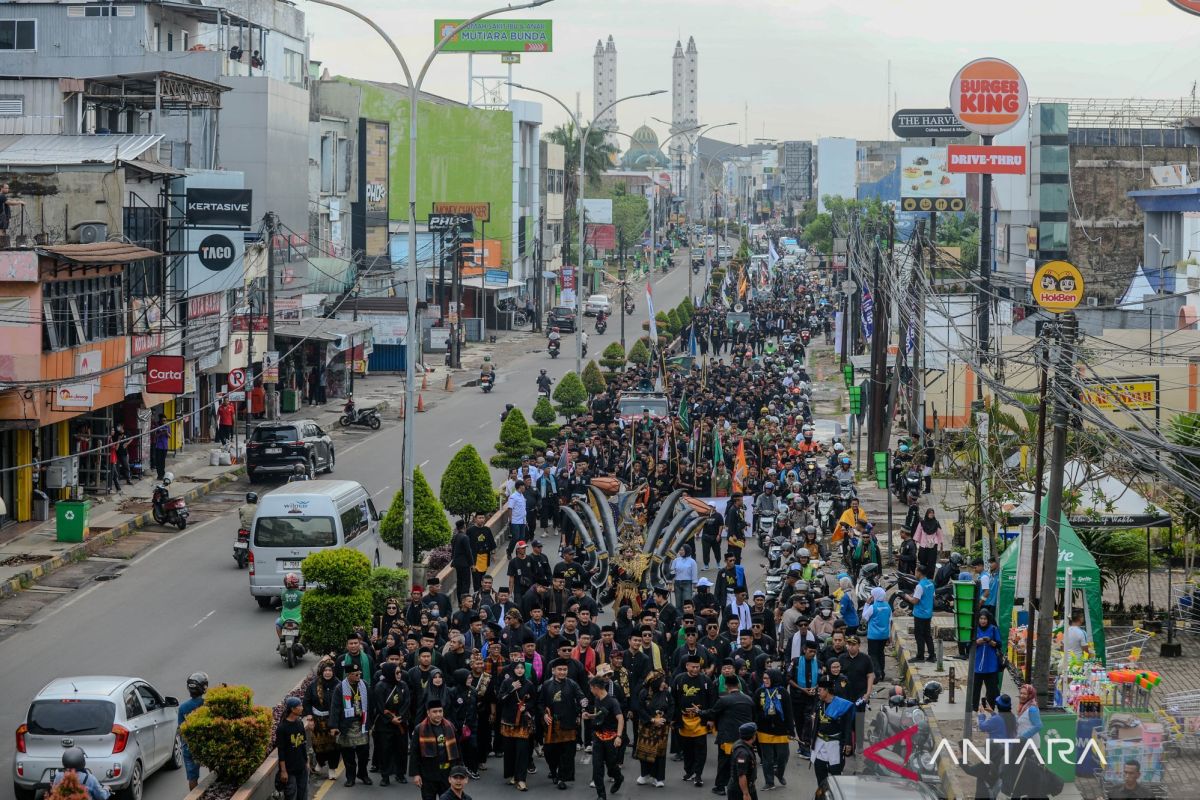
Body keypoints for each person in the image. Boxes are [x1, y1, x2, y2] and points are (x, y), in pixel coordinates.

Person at [541, 657, 585, 789]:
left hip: (569, 724)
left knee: (568, 753)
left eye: (565, 669)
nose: (562, 672)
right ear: (553, 671)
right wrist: (543, 714)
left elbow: (581, 697)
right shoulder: (546, 685)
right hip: (552, 725)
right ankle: (553, 771)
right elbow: (540, 703)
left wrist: (583, 702)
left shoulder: (572, 684)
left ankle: (562, 778)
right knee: (550, 752)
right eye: (559, 669)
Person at [408, 699, 463, 800]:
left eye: (440, 711)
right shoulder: (419, 729)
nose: (438, 714)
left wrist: (460, 771)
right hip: (428, 775)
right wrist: (416, 774)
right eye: (435, 711)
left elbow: (458, 750)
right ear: (428, 713)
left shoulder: (450, 727)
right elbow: (414, 753)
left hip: (447, 774)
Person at [584, 675, 624, 800]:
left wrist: (619, 736)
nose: (590, 690)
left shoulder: (612, 701)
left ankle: (618, 778)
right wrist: (589, 716)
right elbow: (600, 714)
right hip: (597, 737)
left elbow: (620, 718)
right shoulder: (597, 699)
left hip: (611, 738)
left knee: (611, 767)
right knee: (597, 767)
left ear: (596, 688)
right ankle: (601, 795)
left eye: (591, 688)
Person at [811, 678, 854, 794]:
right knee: (820, 773)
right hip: (820, 744)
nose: (818, 693)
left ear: (827, 690)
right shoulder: (820, 704)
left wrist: (848, 743)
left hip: (835, 744)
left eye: (819, 690)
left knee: (835, 775)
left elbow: (848, 726)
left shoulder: (842, 706)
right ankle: (821, 795)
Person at [332, 663, 372, 787]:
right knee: (348, 755)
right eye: (355, 674)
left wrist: (371, 721)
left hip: (362, 724)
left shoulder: (364, 685)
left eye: (359, 674)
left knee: (364, 753)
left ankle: (363, 774)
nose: (358, 676)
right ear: (348, 675)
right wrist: (334, 726)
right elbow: (335, 708)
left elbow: (371, 703)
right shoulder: (340, 688)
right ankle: (350, 777)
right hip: (346, 725)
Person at [374, 662, 412, 786]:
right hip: (385, 724)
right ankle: (385, 776)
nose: (399, 674)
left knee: (401, 750)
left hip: (400, 723)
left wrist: (399, 717)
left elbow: (407, 702)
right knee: (385, 750)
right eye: (396, 672)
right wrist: (391, 719)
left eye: (400, 672)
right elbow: (379, 706)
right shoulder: (380, 686)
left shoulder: (403, 685)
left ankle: (400, 774)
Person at [304, 658, 343, 780]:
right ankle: (320, 762)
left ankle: (332, 769)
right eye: (325, 670)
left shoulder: (339, 685)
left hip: (333, 720)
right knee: (318, 746)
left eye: (330, 670)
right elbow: (307, 701)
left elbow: (343, 704)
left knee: (333, 747)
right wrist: (309, 716)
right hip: (317, 720)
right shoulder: (313, 685)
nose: (327, 673)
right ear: (321, 672)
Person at [634, 670, 674, 787]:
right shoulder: (644, 693)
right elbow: (640, 709)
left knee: (660, 754)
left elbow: (672, 706)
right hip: (647, 726)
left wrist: (665, 719)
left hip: (662, 727)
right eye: (662, 682)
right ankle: (645, 774)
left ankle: (658, 778)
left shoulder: (666, 693)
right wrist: (652, 720)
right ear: (655, 682)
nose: (664, 684)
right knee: (644, 751)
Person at [753, 670, 791, 789]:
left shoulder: (783, 692)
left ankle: (779, 774)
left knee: (783, 756)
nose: (765, 681)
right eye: (764, 678)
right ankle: (769, 782)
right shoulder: (760, 692)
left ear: (774, 678)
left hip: (781, 730)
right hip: (764, 730)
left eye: (768, 678)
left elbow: (789, 712)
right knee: (767, 759)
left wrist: (791, 729)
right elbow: (754, 710)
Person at [179, 672, 208, 791]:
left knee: (192, 778)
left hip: (189, 748)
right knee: (214, 770)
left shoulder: (183, 708)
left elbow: (181, 729)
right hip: (206, 745)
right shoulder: (207, 704)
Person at [970, 609, 1003, 710]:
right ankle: (974, 708)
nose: (983, 621)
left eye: (985, 619)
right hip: (977, 665)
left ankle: (990, 707)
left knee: (991, 690)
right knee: (976, 689)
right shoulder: (974, 629)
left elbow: (999, 644)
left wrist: (990, 641)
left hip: (991, 666)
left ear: (988, 619)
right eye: (981, 618)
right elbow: (968, 645)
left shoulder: (993, 629)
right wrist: (977, 642)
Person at [904, 564, 936, 662]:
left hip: (920, 614)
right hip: (928, 613)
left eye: (916, 571)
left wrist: (906, 596)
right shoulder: (930, 583)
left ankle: (920, 656)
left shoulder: (920, 586)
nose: (915, 573)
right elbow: (932, 597)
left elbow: (914, 601)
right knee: (927, 635)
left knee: (919, 635)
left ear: (919, 573)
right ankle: (932, 655)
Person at [860, 585, 892, 683]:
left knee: (872, 655)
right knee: (881, 654)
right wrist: (889, 635)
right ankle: (882, 672)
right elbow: (890, 621)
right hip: (884, 635)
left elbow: (864, 618)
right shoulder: (888, 606)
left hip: (873, 635)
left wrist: (866, 604)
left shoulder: (873, 607)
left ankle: (877, 674)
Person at [728, 722, 759, 800]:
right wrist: (745, 794)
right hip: (739, 791)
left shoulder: (742, 744)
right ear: (752, 736)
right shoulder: (742, 753)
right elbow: (741, 775)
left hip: (748, 787)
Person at [913, 508, 944, 578]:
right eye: (930, 513)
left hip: (933, 546)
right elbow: (918, 532)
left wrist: (941, 544)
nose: (931, 514)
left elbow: (940, 533)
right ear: (927, 514)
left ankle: (930, 578)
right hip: (924, 545)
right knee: (922, 562)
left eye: (932, 513)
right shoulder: (922, 523)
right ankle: (923, 577)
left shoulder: (936, 523)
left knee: (931, 563)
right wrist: (915, 542)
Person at [276, 572, 303, 640]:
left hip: (284, 620)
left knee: (277, 623)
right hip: (298, 620)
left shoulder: (283, 593)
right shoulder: (301, 594)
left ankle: (281, 639)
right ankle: (302, 641)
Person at [1016, 683, 1043, 747]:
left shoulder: (1032, 708)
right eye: (1021, 693)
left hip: (1031, 746)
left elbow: (1038, 725)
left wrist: (1023, 737)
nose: (1021, 695)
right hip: (1023, 745)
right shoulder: (1023, 707)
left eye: (1025, 694)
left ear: (1030, 695)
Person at [151, 413, 170, 480]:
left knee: (163, 461)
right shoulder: (157, 426)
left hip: (165, 447)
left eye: (165, 420)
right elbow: (154, 436)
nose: (164, 422)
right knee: (158, 462)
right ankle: (159, 475)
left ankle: (163, 474)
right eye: (163, 420)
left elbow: (170, 436)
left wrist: (166, 432)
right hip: (158, 446)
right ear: (160, 421)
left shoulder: (167, 426)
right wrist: (161, 433)